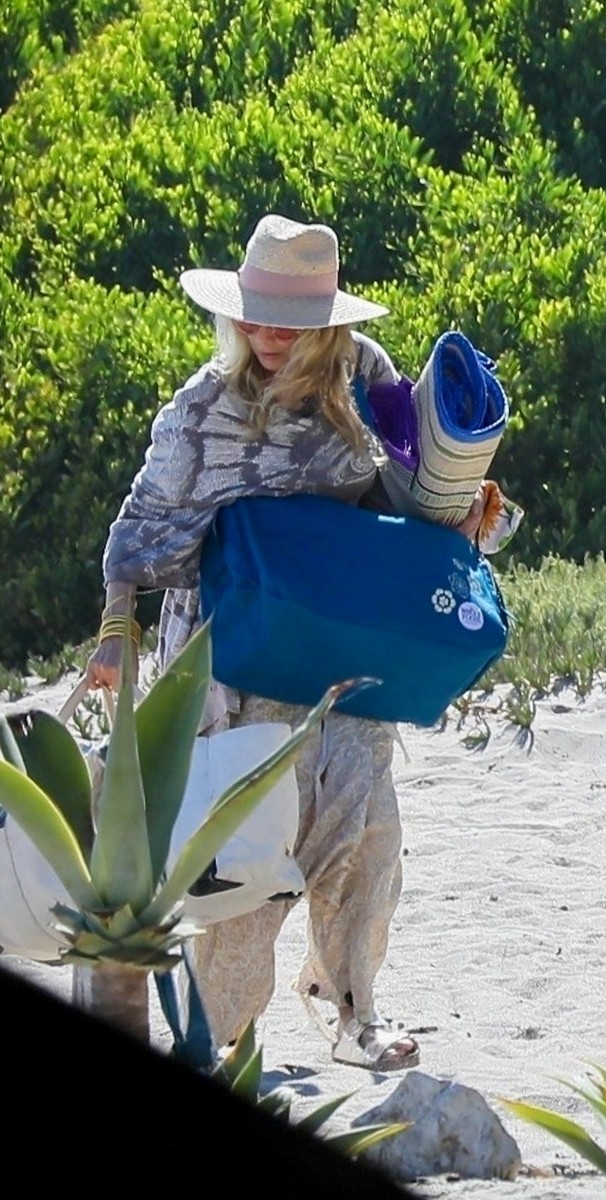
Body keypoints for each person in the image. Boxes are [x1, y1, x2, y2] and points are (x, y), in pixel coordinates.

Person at [84, 214, 477, 1070]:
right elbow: (141, 529)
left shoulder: (367, 378)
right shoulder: (203, 410)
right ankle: (217, 1035)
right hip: (238, 659)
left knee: (365, 833)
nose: (265, 334)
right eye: (253, 314)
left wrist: (456, 493)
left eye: (288, 320)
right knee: (247, 861)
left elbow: (400, 496)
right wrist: (118, 630)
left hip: (344, 647)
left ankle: (354, 1016)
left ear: (327, 327)